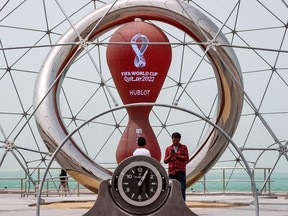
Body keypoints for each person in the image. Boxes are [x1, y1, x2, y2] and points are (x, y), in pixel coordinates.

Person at [164, 132, 189, 200]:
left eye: (177, 140)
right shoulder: (168, 148)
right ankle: (172, 203)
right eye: (174, 140)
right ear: (172, 139)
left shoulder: (184, 147)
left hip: (181, 171)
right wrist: (170, 156)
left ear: (179, 139)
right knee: (171, 189)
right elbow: (165, 161)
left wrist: (177, 156)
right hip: (172, 172)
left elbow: (186, 158)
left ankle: (182, 203)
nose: (175, 142)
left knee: (182, 188)